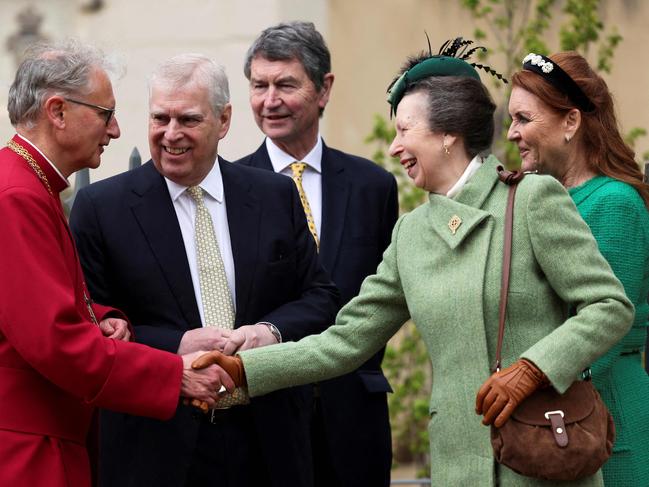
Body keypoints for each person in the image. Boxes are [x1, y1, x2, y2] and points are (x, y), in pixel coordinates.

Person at [192, 38, 634, 486]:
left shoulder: (533, 200)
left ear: (447, 135)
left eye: (405, 130)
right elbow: (343, 342)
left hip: (545, 459)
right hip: (457, 468)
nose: (393, 148)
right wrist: (245, 370)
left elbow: (608, 306)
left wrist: (534, 368)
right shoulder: (412, 235)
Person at [69, 53, 339, 487]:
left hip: (269, 443)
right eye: (160, 118)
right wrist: (176, 343)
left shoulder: (274, 196)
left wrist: (266, 332)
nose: (171, 134)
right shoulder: (102, 209)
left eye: (188, 120)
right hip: (156, 449)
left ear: (224, 119)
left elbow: (320, 298)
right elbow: (92, 324)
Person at [0, 40, 232, 487]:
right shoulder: (17, 196)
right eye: (105, 114)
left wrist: (104, 319)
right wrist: (173, 376)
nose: (116, 131)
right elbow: (53, 341)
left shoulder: (30, 185)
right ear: (58, 111)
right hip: (28, 449)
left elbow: (43, 306)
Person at [235, 21, 398, 487]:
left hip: (355, 419)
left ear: (323, 88)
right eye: (259, 85)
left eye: (286, 84)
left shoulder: (373, 187)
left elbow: (383, 297)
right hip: (264, 415)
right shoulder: (230, 188)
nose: (270, 101)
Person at [508, 51, 649, 486]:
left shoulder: (614, 204)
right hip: (557, 417)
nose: (512, 133)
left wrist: (522, 389)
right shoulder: (541, 199)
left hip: (601, 422)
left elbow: (599, 336)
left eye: (523, 119)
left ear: (571, 122)